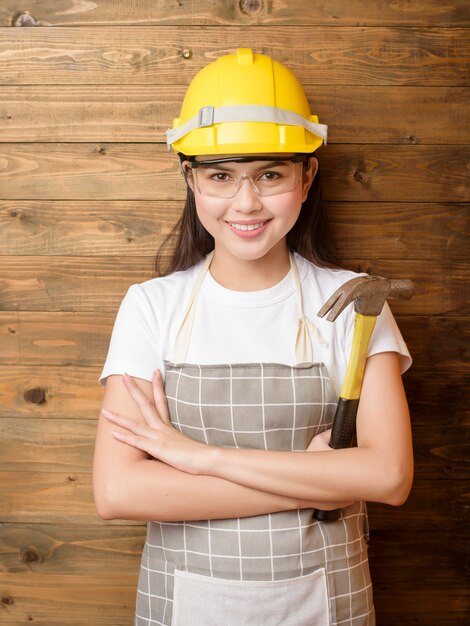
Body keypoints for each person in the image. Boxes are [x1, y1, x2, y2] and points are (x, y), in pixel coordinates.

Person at [93, 48, 413, 626]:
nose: (246, 203)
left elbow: (388, 477)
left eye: (270, 174)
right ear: (190, 177)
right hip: (185, 604)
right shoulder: (152, 307)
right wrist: (319, 483)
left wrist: (197, 459)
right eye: (220, 176)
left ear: (307, 175)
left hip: (327, 602)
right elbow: (119, 492)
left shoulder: (357, 307)